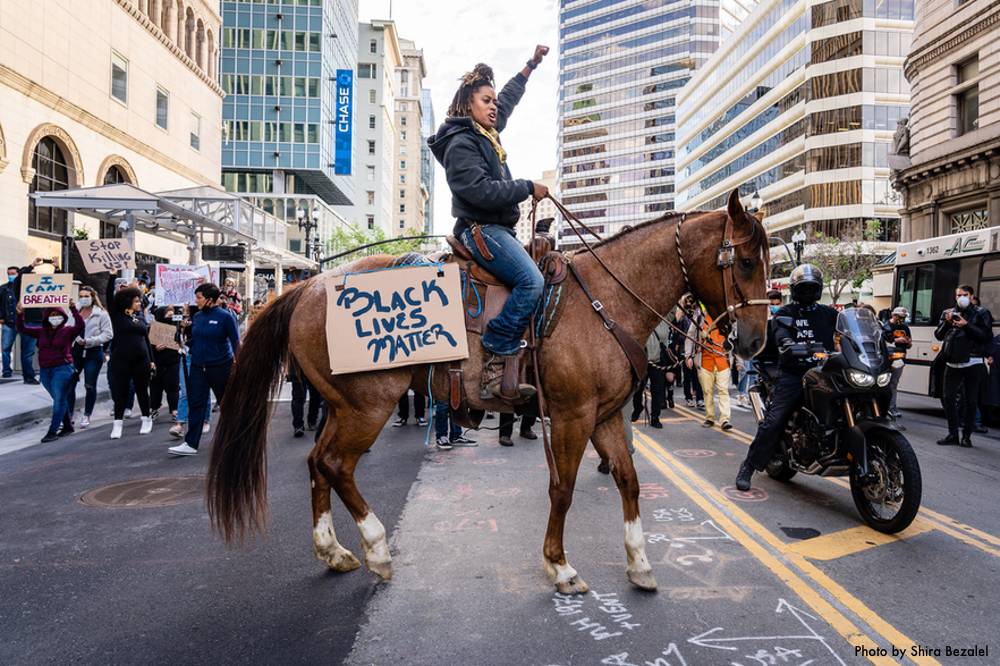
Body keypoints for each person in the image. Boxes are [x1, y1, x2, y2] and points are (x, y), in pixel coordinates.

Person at [428, 45, 550, 404]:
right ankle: (497, 350)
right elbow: (478, 191)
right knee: (531, 281)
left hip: (499, 229)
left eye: (494, 101)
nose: (494, 106)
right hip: (482, 229)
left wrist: (530, 65)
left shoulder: (486, 134)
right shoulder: (461, 142)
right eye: (486, 100)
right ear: (469, 105)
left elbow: (508, 99)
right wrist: (527, 186)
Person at [736, 265, 839, 491]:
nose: (808, 293)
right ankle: (749, 466)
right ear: (794, 290)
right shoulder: (785, 313)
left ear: (819, 290)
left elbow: (848, 331)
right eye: (804, 288)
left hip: (826, 372)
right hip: (795, 374)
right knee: (774, 420)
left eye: (812, 288)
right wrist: (787, 344)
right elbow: (780, 332)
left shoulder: (830, 314)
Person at [168, 283, 240, 456]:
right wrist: (184, 342)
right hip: (198, 367)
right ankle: (190, 443)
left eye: (199, 297)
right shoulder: (198, 317)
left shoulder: (225, 317)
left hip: (221, 367)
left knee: (227, 405)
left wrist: (240, 364)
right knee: (197, 404)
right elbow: (196, 340)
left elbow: (236, 342)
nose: (196, 301)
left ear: (210, 299)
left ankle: (234, 441)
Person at [16, 302, 85, 442]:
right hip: (45, 370)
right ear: (47, 317)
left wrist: (73, 309)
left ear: (63, 317)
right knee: (59, 399)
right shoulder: (41, 331)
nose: (55, 318)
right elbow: (22, 328)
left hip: (63, 369)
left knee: (59, 400)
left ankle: (52, 431)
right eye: (52, 315)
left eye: (58, 315)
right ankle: (67, 426)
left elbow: (80, 326)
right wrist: (20, 314)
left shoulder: (68, 331)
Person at [934, 285, 991, 447]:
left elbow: (985, 336)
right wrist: (947, 322)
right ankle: (953, 434)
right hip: (952, 362)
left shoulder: (981, 313)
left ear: (972, 296)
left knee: (970, 400)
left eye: (965, 295)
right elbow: (939, 335)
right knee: (948, 398)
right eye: (958, 295)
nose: (961, 298)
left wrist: (966, 325)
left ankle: (966, 436)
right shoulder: (948, 313)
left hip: (973, 361)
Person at [108, 286, 155, 439]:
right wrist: (112, 277)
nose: (139, 303)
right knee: (120, 392)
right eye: (136, 301)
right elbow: (110, 297)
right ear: (127, 302)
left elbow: (146, 339)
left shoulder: (140, 316)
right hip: (121, 359)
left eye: (139, 300)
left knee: (142, 390)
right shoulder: (117, 315)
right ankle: (117, 424)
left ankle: (146, 420)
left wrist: (152, 360)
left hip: (142, 359)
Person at [67, 286, 113, 428]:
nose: (83, 298)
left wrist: (90, 341)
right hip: (76, 352)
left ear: (93, 297)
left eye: (87, 295)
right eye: (81, 295)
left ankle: (87, 414)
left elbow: (108, 334)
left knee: (89, 385)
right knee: (70, 383)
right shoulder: (74, 311)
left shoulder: (101, 314)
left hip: (93, 352)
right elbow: (67, 327)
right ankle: (69, 415)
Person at [685, 306, 733, 431]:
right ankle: (710, 417)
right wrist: (688, 355)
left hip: (723, 361)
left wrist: (738, 360)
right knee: (707, 391)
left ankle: (725, 419)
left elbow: (735, 338)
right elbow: (690, 335)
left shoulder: (726, 317)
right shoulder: (700, 317)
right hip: (705, 362)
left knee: (723, 390)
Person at [631, 320, 671, 428]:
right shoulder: (642, 319)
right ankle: (638, 407)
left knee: (657, 390)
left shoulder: (663, 321)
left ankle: (655, 417)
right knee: (638, 388)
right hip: (643, 360)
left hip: (658, 361)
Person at [149, 306, 182, 422]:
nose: (170, 313)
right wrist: (155, 349)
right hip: (158, 362)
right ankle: (154, 408)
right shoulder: (153, 328)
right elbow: (148, 346)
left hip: (173, 361)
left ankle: (174, 409)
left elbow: (182, 342)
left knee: (173, 386)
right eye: (167, 311)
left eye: (171, 311)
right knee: (155, 387)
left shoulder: (177, 325)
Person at [883, 306, 912, 420]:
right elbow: (883, 340)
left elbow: (909, 344)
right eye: (900, 317)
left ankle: (892, 407)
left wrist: (908, 342)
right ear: (894, 316)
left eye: (904, 317)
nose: (902, 319)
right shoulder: (885, 326)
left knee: (894, 383)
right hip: (886, 357)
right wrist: (896, 340)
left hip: (899, 357)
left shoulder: (905, 327)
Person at [676, 297, 704, 408]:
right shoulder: (683, 316)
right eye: (688, 302)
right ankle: (688, 397)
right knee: (687, 376)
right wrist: (682, 303)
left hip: (696, 350)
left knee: (697, 376)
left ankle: (699, 398)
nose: (690, 304)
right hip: (685, 349)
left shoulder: (699, 315)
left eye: (692, 302)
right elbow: (677, 321)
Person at [290, 360, 321, 438]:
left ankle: (298, 425)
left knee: (298, 395)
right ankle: (311, 421)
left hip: (297, 362)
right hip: (310, 362)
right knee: (315, 393)